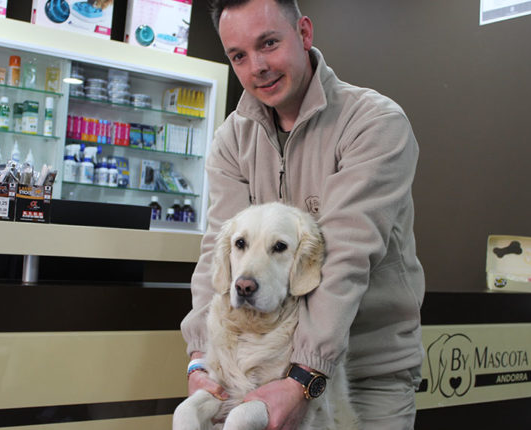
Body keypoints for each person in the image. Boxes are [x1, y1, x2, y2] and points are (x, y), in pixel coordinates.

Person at [180, 0, 425, 428]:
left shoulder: (374, 123)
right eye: (238, 55)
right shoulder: (232, 139)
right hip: (258, 371)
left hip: (366, 373)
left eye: (268, 43)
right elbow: (216, 253)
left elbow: (345, 259)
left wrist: (303, 377)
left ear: (305, 33)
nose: (257, 67)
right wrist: (201, 358)